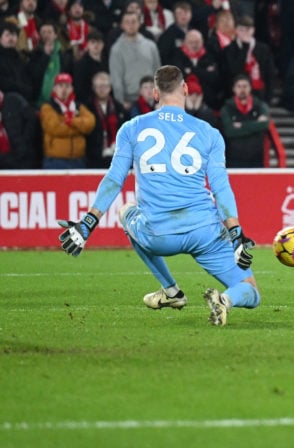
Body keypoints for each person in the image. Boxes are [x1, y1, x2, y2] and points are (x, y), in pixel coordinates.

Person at [56, 65, 260, 327]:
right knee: (251, 291)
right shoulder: (210, 133)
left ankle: (171, 290)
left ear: (154, 93)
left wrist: (88, 223)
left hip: (158, 235)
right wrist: (236, 234)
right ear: (185, 89)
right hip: (205, 231)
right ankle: (226, 300)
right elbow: (221, 188)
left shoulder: (132, 128)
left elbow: (114, 179)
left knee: (126, 210)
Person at [40, 72, 95, 169]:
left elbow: (90, 123)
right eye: (60, 86)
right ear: (54, 89)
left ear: (72, 89)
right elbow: (55, 128)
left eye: (67, 86)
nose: (64, 89)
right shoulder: (47, 107)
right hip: (55, 161)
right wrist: (79, 128)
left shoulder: (78, 106)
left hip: (78, 160)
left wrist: (71, 121)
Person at [221, 74, 271, 168]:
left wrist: (241, 126)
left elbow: (265, 124)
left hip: (256, 159)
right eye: (239, 86)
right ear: (234, 89)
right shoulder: (227, 108)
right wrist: (255, 125)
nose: (242, 89)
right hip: (234, 159)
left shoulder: (260, 105)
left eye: (245, 86)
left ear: (250, 88)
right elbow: (229, 131)